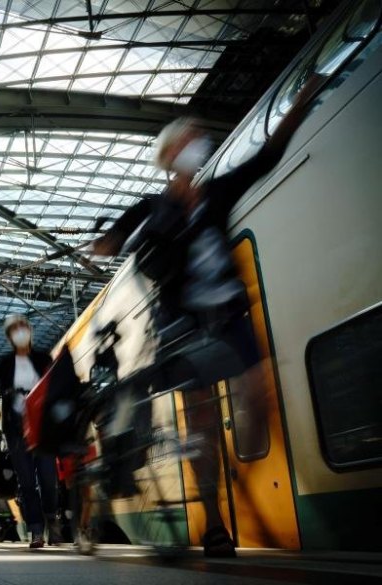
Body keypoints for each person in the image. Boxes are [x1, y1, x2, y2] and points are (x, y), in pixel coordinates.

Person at [91, 74, 325, 557]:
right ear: (170, 154)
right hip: (183, 326)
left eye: (200, 137)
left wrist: (299, 104)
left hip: (229, 313)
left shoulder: (217, 193)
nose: (200, 143)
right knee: (200, 426)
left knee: (257, 402)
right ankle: (216, 523)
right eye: (190, 139)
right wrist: (100, 245)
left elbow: (266, 158)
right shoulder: (151, 208)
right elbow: (113, 241)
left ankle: (238, 484)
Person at [0, 313, 61, 548]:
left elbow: (57, 383)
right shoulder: (5, 363)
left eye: (23, 326)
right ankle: (36, 531)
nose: (20, 331)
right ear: (9, 336)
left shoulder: (44, 358)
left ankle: (51, 518)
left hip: (42, 427)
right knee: (26, 482)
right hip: (16, 430)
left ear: (29, 331)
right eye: (15, 328)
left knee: (48, 479)